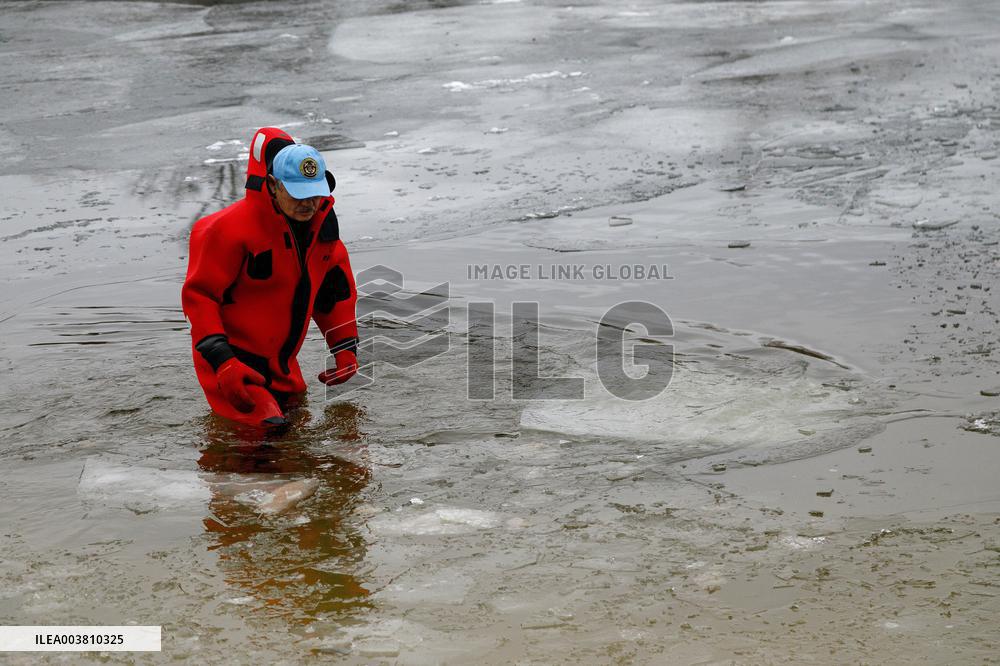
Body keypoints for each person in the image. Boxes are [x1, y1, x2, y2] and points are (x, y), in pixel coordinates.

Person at [182, 127, 359, 428]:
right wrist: (224, 363)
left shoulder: (323, 234)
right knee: (266, 435)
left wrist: (344, 348)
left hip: (283, 366)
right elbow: (201, 299)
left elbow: (334, 296)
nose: (308, 203)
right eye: (297, 194)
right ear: (274, 185)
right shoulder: (224, 232)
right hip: (231, 361)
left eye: (315, 194)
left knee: (298, 425)